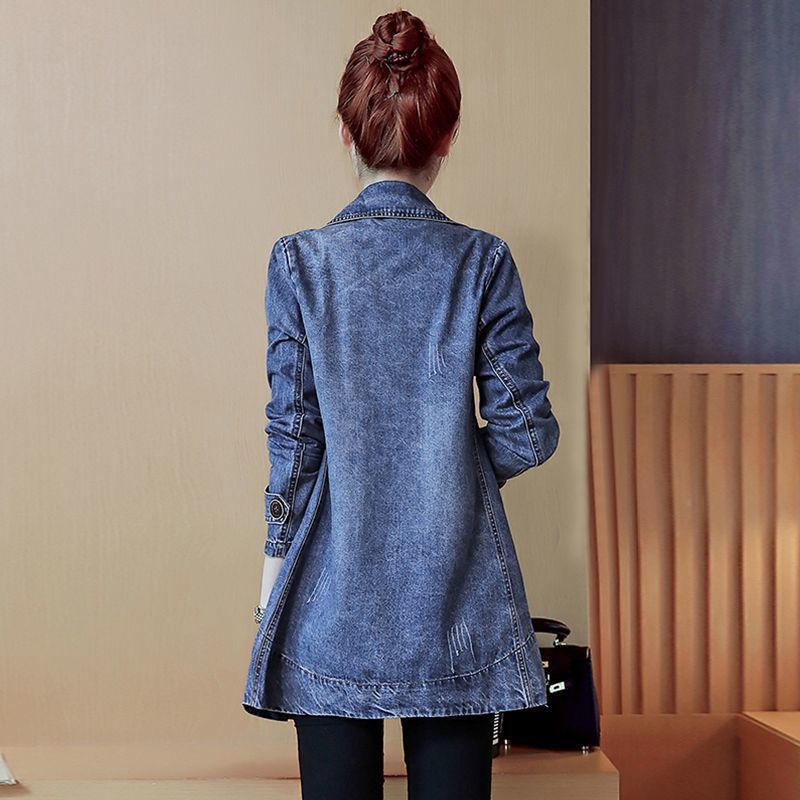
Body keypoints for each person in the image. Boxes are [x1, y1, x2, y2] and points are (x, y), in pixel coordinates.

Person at [242, 9, 560, 800]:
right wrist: (445, 463)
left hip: (330, 600)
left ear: (344, 131)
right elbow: (528, 431)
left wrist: (273, 567)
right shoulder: (484, 262)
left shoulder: (299, 264)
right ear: (446, 137)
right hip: (456, 603)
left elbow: (295, 445)